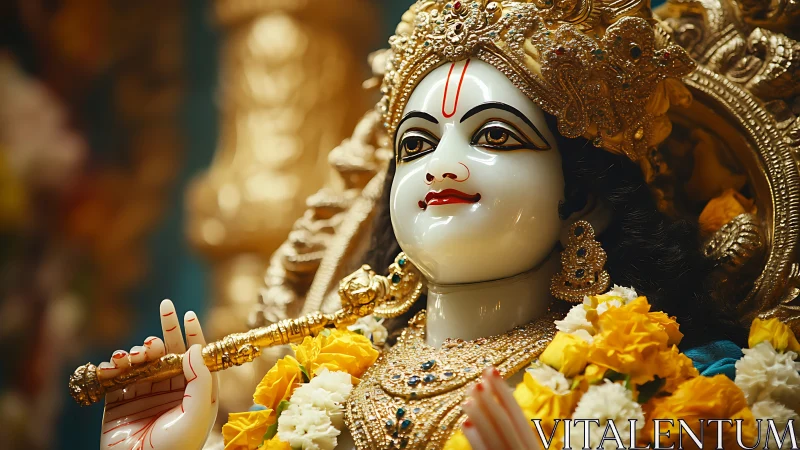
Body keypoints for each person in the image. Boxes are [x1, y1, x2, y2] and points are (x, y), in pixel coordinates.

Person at [96, 1, 749, 448]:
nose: (442, 165)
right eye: (415, 145)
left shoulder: (659, 386)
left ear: (582, 197)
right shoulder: (323, 383)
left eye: (494, 135)